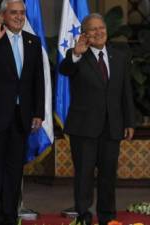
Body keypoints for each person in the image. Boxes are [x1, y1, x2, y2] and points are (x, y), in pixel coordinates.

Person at [59, 13, 135, 225]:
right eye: (93, 29)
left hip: (112, 127)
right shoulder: (76, 55)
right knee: (83, 176)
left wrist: (129, 122)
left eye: (101, 27)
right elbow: (64, 70)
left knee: (108, 176)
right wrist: (75, 53)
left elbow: (125, 92)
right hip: (84, 128)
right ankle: (83, 216)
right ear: (85, 34)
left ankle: (107, 217)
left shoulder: (118, 56)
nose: (99, 32)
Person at [0, 0, 45, 224]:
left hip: (21, 117)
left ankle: (10, 215)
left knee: (14, 170)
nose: (18, 16)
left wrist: (38, 112)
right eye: (13, 13)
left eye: (22, 13)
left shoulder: (33, 41)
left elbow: (38, 80)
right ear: (3, 15)